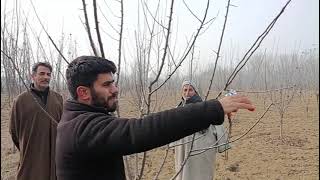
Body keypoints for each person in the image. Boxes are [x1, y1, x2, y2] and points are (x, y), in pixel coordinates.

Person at [56, 56, 255, 180]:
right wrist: (215, 108)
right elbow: (141, 130)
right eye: (107, 85)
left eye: (114, 83)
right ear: (83, 93)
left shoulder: (78, 119)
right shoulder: (81, 128)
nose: (115, 89)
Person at [9, 62, 63, 180]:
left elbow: (63, 126)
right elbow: (14, 131)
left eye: (49, 74)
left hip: (54, 154)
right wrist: (26, 146)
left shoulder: (58, 99)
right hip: (31, 154)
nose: (46, 77)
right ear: (33, 76)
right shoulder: (20, 101)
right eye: (42, 74)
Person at [170, 80, 231, 180]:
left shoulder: (205, 107)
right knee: (184, 174)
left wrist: (222, 144)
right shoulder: (177, 109)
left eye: (190, 90)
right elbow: (171, 130)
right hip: (182, 151)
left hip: (202, 150)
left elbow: (217, 124)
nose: (187, 93)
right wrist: (173, 146)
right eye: (185, 90)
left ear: (195, 91)